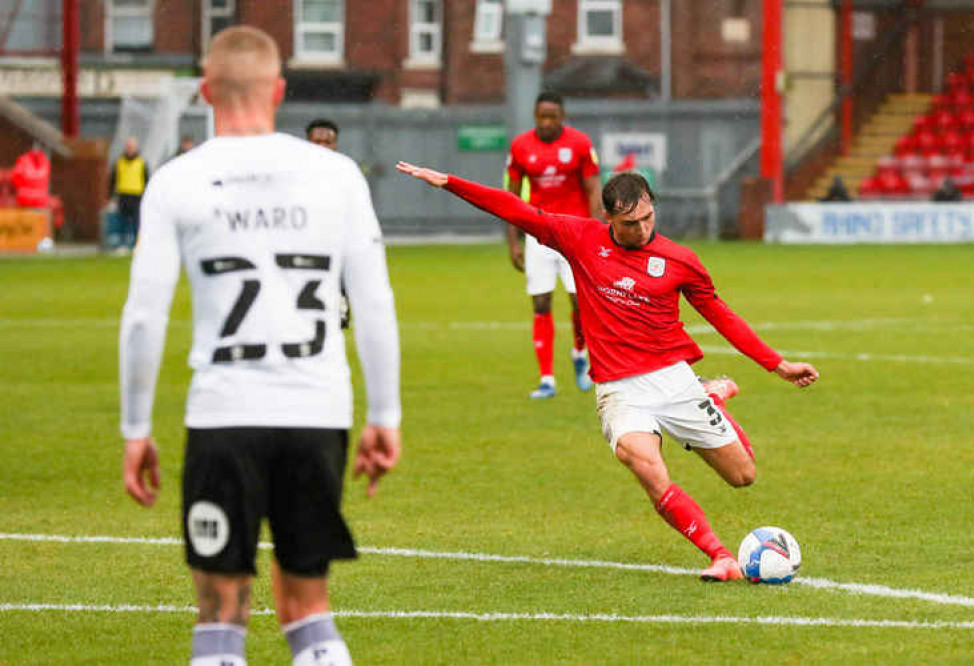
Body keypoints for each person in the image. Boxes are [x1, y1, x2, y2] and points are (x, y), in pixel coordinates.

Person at [120, 26, 402, 666]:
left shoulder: (176, 180)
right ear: (278, 90)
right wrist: (385, 417)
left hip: (225, 416)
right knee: (309, 611)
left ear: (204, 91)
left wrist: (136, 428)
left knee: (221, 615)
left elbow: (144, 315)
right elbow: (376, 302)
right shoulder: (336, 174)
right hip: (316, 414)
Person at [396, 161, 818, 581]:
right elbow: (515, 209)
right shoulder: (579, 239)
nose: (642, 229)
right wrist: (450, 181)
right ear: (608, 218)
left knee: (743, 476)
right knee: (646, 466)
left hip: (673, 378)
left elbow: (721, 315)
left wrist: (777, 365)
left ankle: (710, 396)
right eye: (631, 222)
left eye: (648, 217)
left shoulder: (680, 260)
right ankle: (720, 556)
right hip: (619, 389)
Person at [505, 92, 603, 399]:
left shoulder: (581, 144)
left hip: (575, 236)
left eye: (553, 117)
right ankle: (547, 378)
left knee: (580, 302)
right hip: (538, 234)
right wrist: (513, 241)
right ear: (535, 116)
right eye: (542, 117)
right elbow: (510, 198)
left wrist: (597, 232)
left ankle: (579, 354)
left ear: (562, 117)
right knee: (540, 302)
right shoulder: (520, 146)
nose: (547, 122)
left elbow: (593, 189)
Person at [306, 118, 350, 330]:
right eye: (317, 142)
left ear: (336, 145)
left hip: (335, 240)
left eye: (328, 142)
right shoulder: (295, 175)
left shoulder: (346, 174)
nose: (322, 147)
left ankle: (340, 305)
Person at [109, 136, 149, 250]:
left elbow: (146, 180)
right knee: (122, 221)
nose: (130, 149)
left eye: (132, 147)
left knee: (136, 221)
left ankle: (137, 244)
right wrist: (111, 196)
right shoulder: (119, 162)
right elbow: (113, 179)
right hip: (123, 194)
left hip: (137, 195)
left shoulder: (141, 162)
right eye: (128, 146)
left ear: (136, 148)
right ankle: (122, 244)